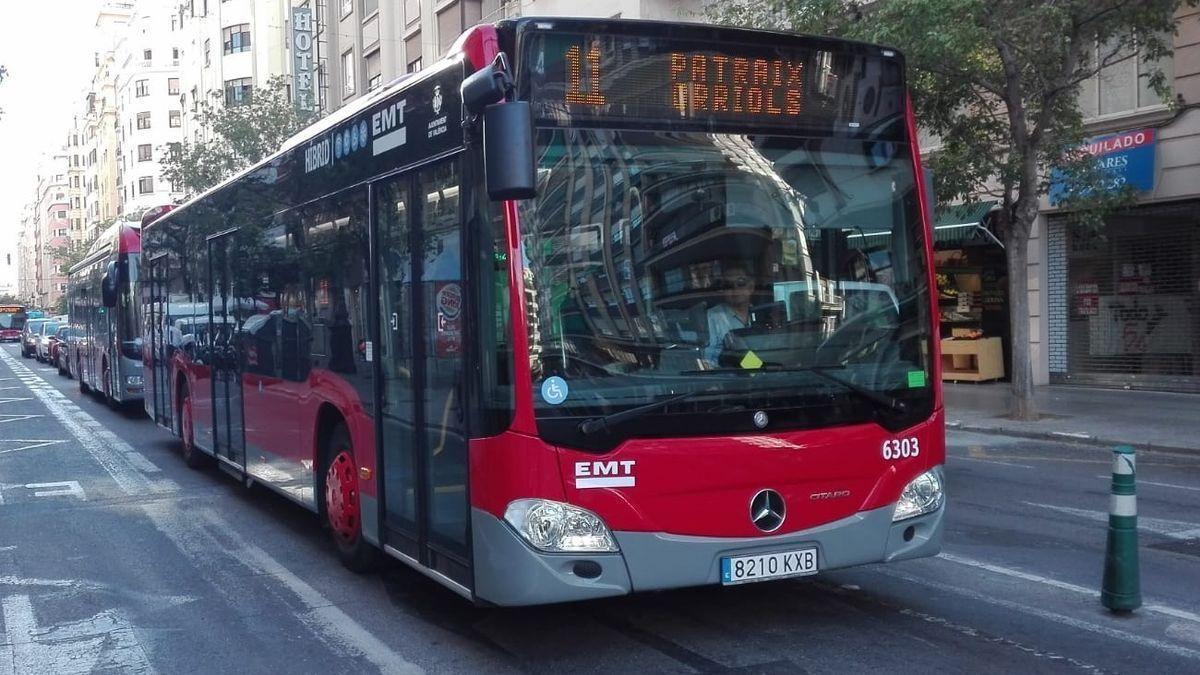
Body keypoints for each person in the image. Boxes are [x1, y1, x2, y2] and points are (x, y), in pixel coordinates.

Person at [705, 264, 755, 365]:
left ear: (751, 287)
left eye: (741, 283)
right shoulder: (712, 317)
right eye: (728, 285)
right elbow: (708, 362)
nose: (735, 289)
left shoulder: (763, 314)